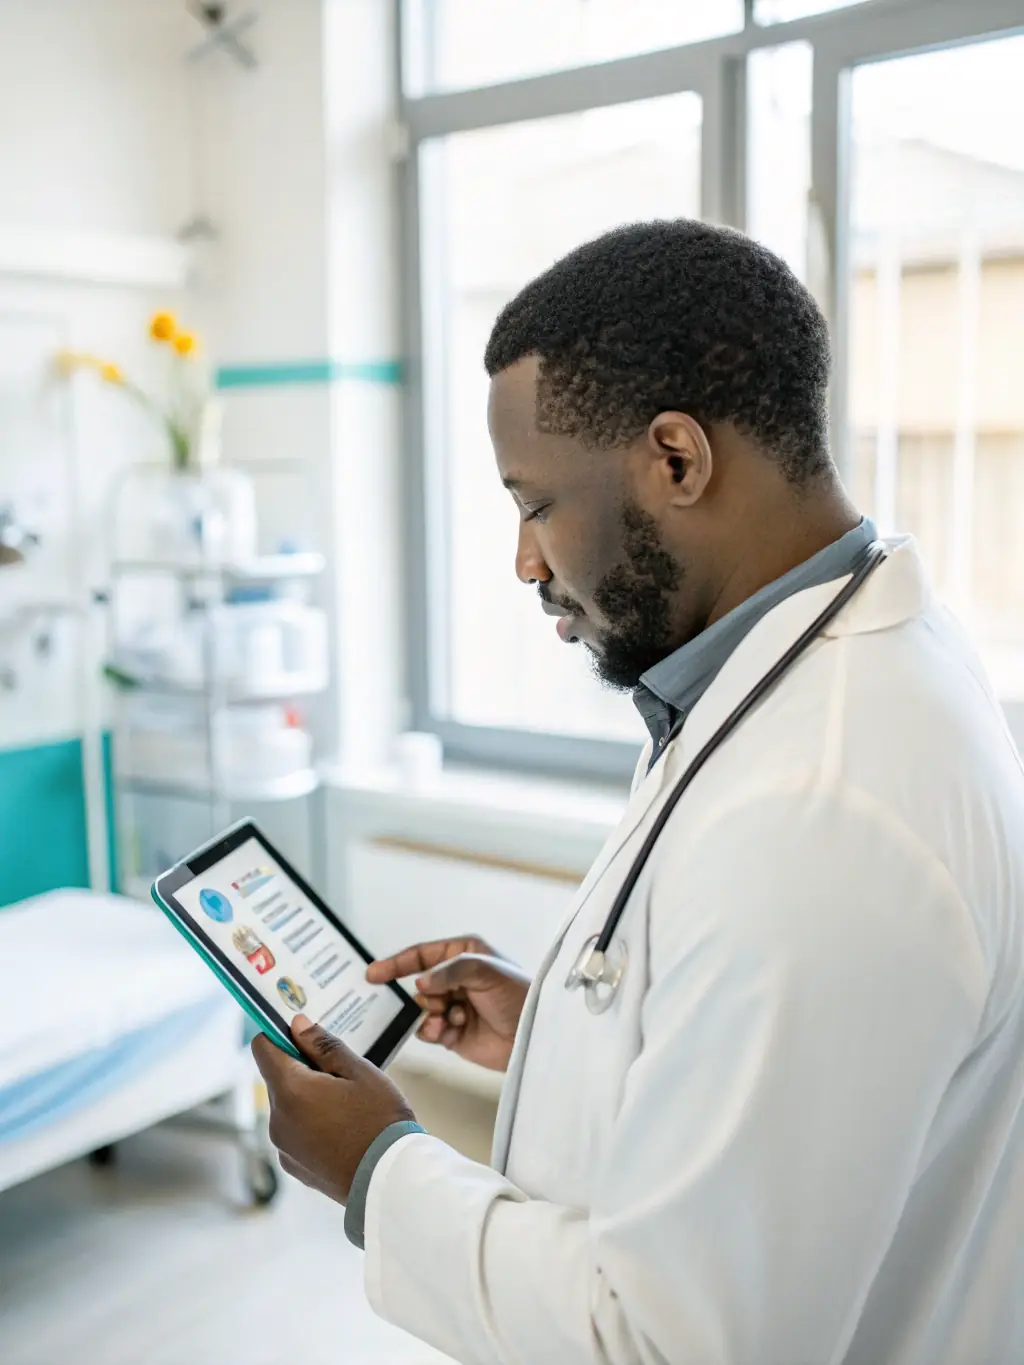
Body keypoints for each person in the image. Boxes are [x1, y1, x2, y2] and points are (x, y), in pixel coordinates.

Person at [252, 221, 1024, 1364]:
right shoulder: (828, 652)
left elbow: (671, 1343)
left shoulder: (822, 810)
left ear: (675, 459)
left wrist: (376, 1170)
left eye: (534, 503)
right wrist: (568, 1029)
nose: (525, 562)